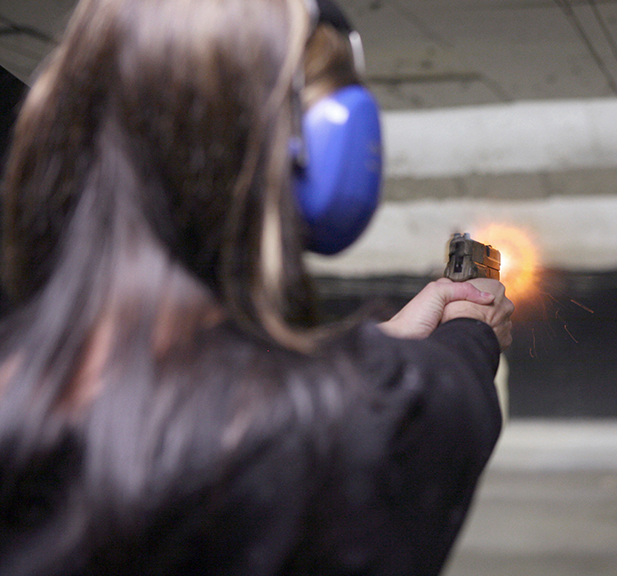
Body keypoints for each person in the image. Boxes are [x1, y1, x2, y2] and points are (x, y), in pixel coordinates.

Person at [0, 0, 513, 574]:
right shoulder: (334, 430)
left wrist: (379, 346)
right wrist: (470, 324)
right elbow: (443, 397)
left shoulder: (20, 388)